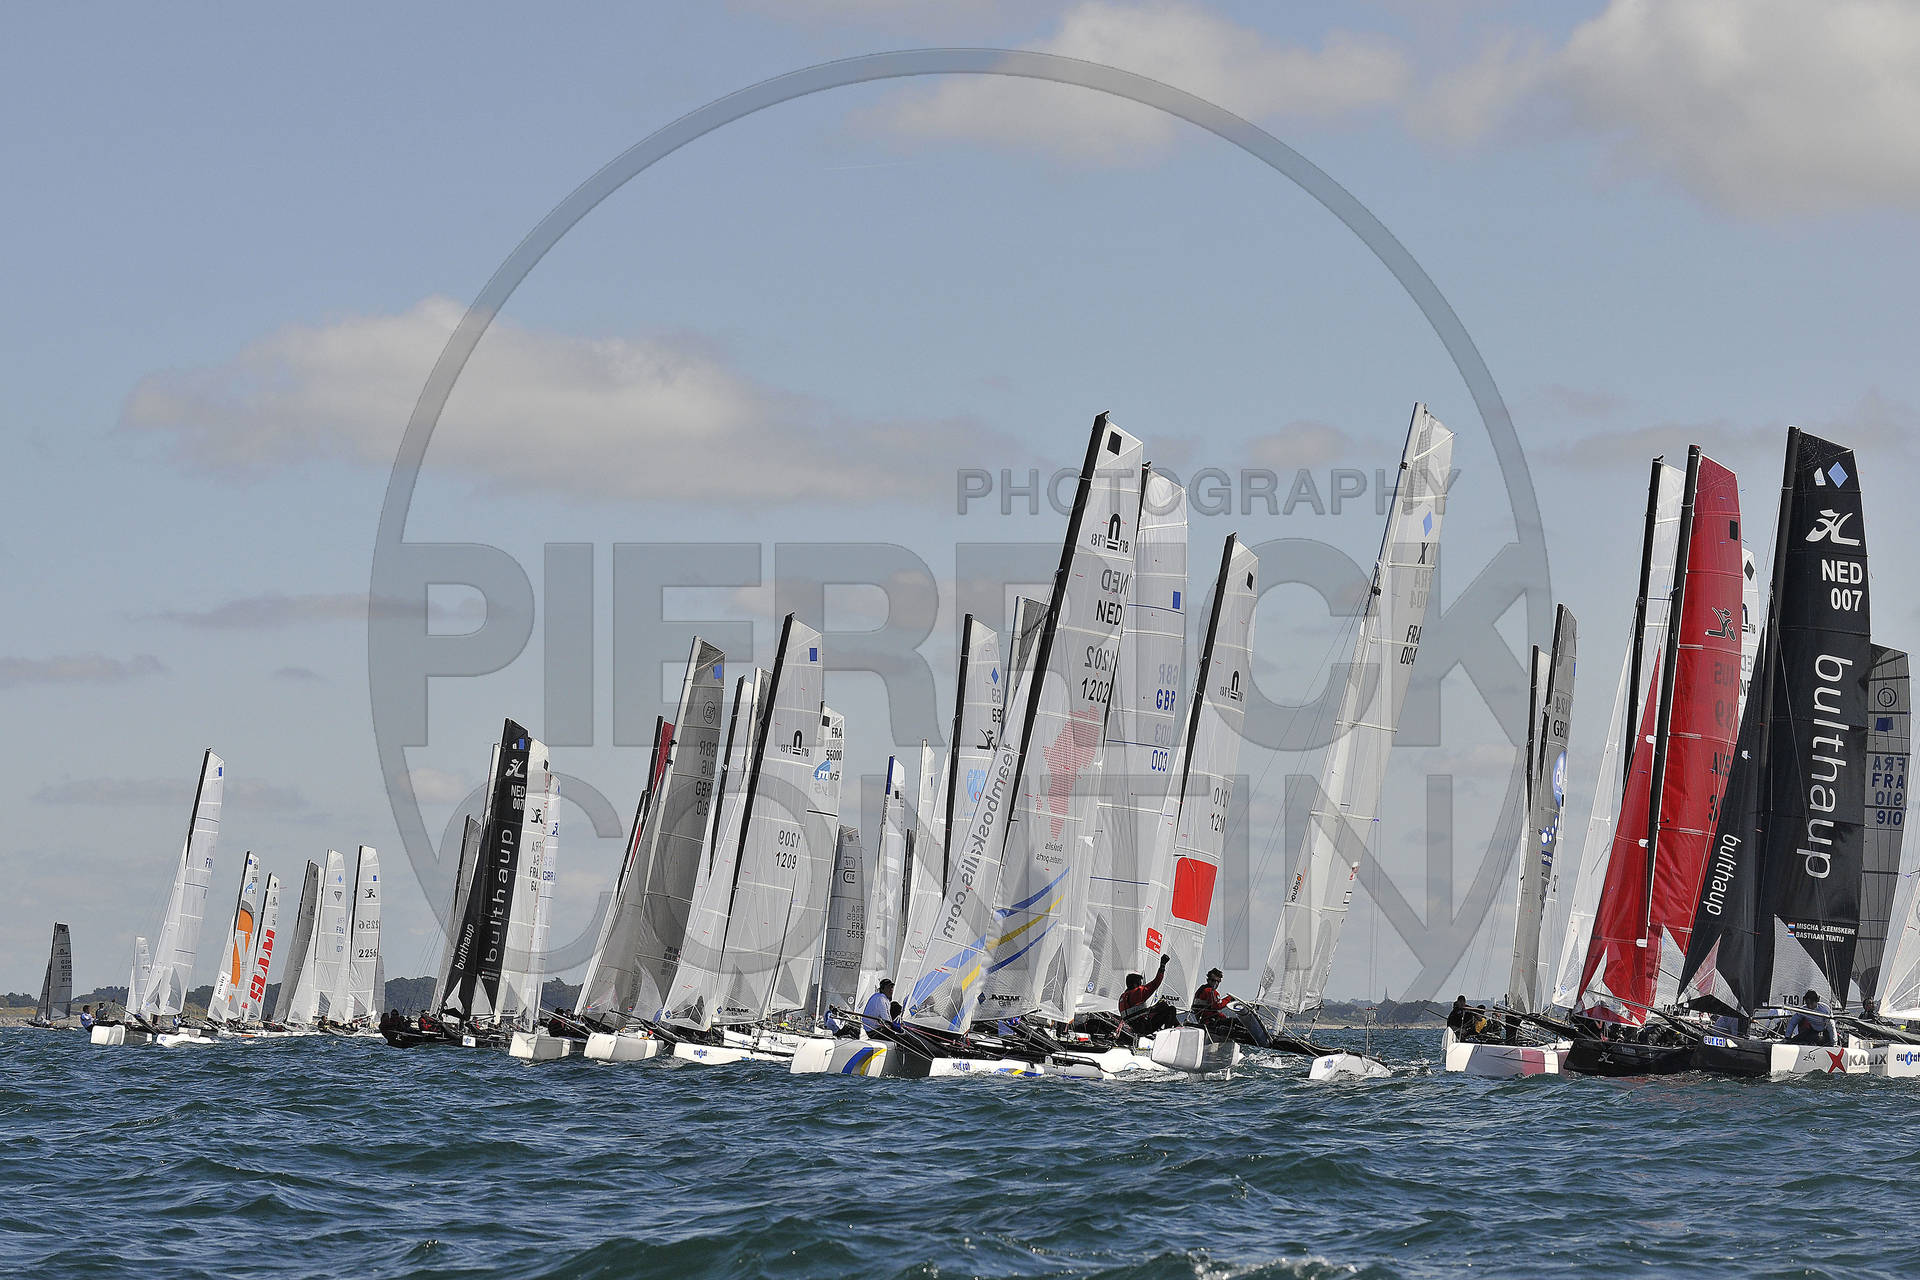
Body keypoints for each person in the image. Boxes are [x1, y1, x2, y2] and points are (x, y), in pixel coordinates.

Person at [1118, 955, 1179, 1038]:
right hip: (1145, 1028)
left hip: (1133, 1029)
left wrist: (1157, 1007)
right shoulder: (1137, 992)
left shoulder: (1122, 997)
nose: (1141, 985)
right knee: (1171, 1009)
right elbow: (1155, 983)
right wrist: (1162, 965)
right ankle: (1167, 1036)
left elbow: (1135, 1012)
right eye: (1140, 983)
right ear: (1135, 984)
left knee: (1162, 1005)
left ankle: (1178, 1026)